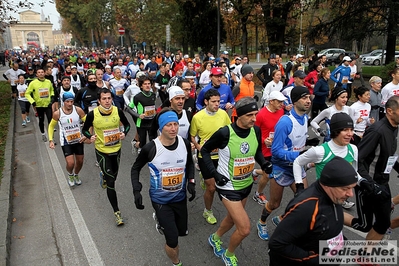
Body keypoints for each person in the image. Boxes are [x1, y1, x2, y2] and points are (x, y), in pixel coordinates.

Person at [201, 97, 272, 265]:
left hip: (246, 184)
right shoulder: (225, 133)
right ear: (237, 115)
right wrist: (215, 175)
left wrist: (264, 163)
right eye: (249, 115)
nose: (254, 119)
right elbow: (204, 151)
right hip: (228, 186)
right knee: (245, 228)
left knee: (233, 218)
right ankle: (229, 254)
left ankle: (215, 238)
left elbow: (257, 153)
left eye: (255, 114)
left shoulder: (255, 130)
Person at [130, 108, 196, 266]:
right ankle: (176, 262)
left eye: (175, 124)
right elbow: (135, 168)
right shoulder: (151, 148)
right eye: (168, 125)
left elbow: (189, 164)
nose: (173, 128)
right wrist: (136, 190)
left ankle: (163, 223)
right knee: (172, 240)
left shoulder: (185, 143)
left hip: (180, 198)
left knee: (182, 232)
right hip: (160, 200)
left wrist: (191, 182)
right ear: (161, 127)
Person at [268, 157, 358, 265]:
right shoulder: (306, 208)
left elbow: (331, 225)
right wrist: (317, 260)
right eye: (345, 189)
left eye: (352, 188)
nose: (350, 194)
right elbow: (277, 243)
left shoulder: (334, 196)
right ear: (328, 185)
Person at [256, 86, 317, 240]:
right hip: (281, 167)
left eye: (309, 98)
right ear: (295, 101)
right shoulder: (285, 122)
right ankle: (262, 222)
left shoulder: (304, 117)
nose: (308, 101)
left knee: (304, 200)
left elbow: (294, 141)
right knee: (274, 203)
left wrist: (309, 141)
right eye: (304, 98)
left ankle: (282, 219)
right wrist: (299, 154)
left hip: (297, 166)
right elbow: (276, 151)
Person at [344, 95, 399, 241]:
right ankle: (328, 213)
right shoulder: (377, 131)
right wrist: (369, 184)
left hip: (382, 182)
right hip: (368, 185)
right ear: (389, 111)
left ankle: (364, 256)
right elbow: (357, 161)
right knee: (364, 225)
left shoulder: (394, 128)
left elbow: (388, 155)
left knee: (383, 223)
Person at [82, 88, 131, 226]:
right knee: (111, 182)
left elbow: (127, 125)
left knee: (113, 177)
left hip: (116, 149)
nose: (107, 101)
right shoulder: (93, 114)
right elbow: (85, 129)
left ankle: (104, 175)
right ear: (99, 101)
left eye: (109, 98)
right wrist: (89, 136)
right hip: (102, 151)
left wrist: (124, 133)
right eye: (104, 99)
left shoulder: (117, 111)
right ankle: (117, 212)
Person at [293, 113, 358, 209]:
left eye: (351, 130)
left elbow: (354, 172)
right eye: (345, 130)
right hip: (321, 199)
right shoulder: (320, 151)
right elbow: (297, 162)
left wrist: (364, 182)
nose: (350, 134)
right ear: (335, 131)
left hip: (339, 199)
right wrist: (299, 185)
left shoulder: (353, 149)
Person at [190, 89, 231, 225]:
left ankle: (204, 177)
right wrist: (197, 145)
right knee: (211, 188)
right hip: (205, 155)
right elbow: (192, 135)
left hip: (221, 155)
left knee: (225, 183)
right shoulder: (198, 117)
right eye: (213, 102)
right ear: (206, 102)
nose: (217, 104)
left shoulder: (223, 114)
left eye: (218, 101)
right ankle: (207, 210)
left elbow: (229, 132)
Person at [252, 91, 285, 205]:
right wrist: (263, 140)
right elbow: (253, 132)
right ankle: (258, 194)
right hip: (263, 149)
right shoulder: (261, 114)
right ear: (271, 101)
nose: (282, 104)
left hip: (276, 147)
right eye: (279, 101)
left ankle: (255, 172)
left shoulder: (281, 112)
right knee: (268, 174)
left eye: (282, 101)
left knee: (273, 170)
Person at [48, 92, 87, 187]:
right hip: (66, 141)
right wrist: (51, 140)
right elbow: (51, 126)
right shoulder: (58, 113)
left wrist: (86, 135)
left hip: (78, 140)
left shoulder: (78, 110)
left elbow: (87, 122)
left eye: (71, 101)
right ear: (63, 102)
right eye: (67, 101)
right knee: (70, 163)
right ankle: (70, 175)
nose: (70, 104)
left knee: (80, 161)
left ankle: (76, 175)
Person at [127, 76, 157, 152]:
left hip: (152, 122)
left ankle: (152, 155)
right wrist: (138, 115)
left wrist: (155, 111)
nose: (147, 85)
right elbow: (128, 108)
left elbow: (153, 106)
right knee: (142, 143)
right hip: (141, 123)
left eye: (149, 84)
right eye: (145, 84)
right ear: (141, 86)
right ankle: (135, 144)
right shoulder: (137, 97)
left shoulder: (153, 95)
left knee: (154, 141)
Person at [25, 68, 54, 142]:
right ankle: (43, 134)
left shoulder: (48, 82)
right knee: (41, 120)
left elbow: (51, 90)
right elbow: (27, 94)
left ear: (44, 73)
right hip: (39, 105)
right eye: (39, 72)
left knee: (50, 120)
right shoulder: (33, 83)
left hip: (48, 104)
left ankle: (51, 138)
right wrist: (33, 102)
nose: (41, 73)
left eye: (42, 72)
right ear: (36, 74)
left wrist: (52, 97)